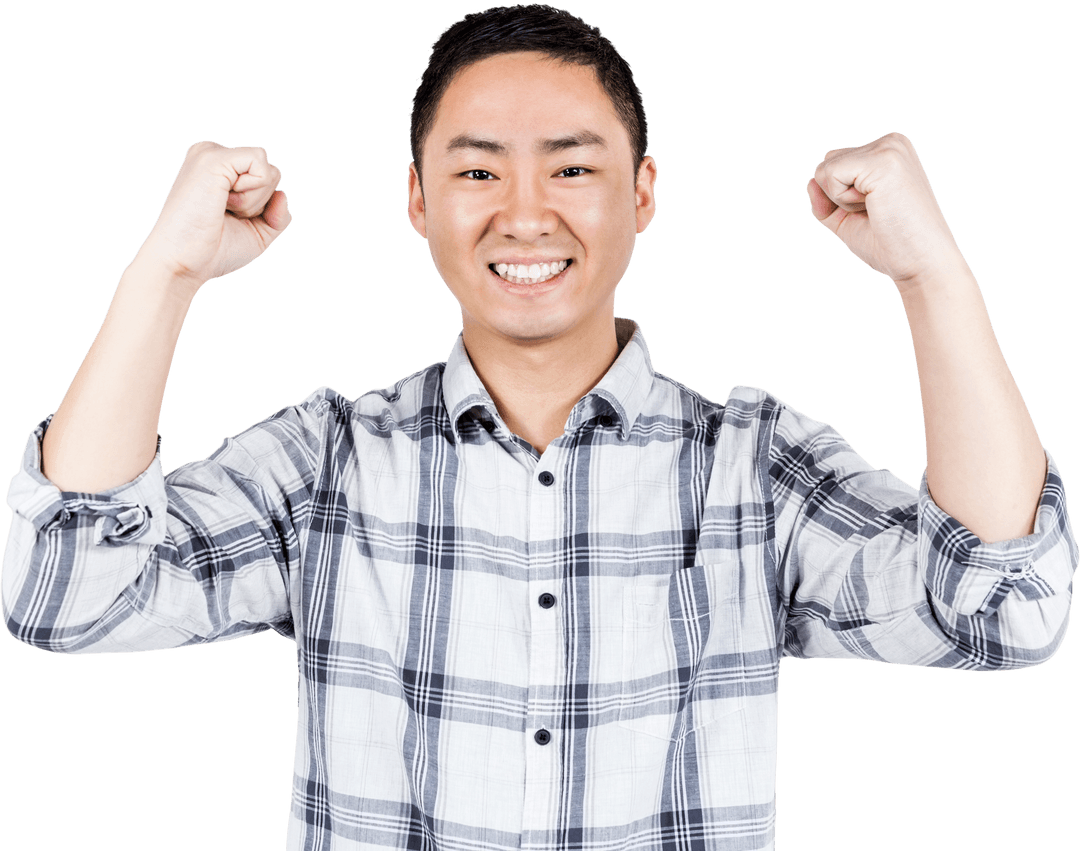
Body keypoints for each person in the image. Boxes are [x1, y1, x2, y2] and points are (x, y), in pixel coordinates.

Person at [2, 3, 1076, 849]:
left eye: (572, 166)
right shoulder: (327, 461)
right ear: (418, 199)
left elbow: (1003, 608)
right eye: (476, 170)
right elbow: (67, 592)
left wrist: (933, 272)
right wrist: (166, 273)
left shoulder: (753, 468)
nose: (524, 213)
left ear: (642, 193)